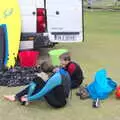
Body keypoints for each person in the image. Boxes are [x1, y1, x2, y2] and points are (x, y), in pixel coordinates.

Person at [4, 62, 71, 108]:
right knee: (38, 81)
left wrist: (28, 98)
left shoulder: (54, 78)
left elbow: (42, 93)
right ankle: (17, 96)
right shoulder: (58, 70)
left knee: (37, 81)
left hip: (58, 103)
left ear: (46, 72)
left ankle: (20, 98)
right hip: (62, 97)